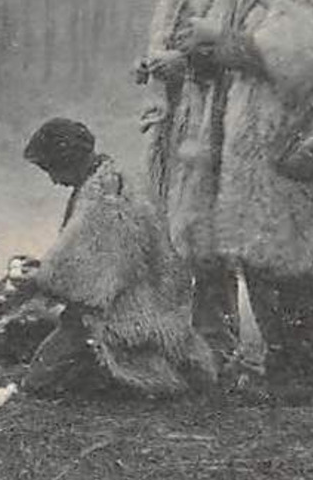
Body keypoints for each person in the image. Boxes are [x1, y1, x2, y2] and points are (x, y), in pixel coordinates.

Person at [174, 0, 313, 406]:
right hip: (240, 131)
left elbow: (296, 53)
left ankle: (306, 372)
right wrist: (203, 50)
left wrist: (218, 45)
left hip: (286, 130)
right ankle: (279, 364)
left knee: (289, 252)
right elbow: (225, 41)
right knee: (255, 248)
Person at [18, 119, 217, 400]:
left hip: (125, 311)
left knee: (40, 383)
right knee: (45, 367)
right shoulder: (107, 180)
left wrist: (39, 279)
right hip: (135, 299)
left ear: (70, 161)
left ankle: (125, 372)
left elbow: (92, 280)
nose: (53, 180)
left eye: (52, 169)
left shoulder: (107, 200)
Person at [138, 0, 248, 372]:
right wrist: (154, 70)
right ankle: (183, 330)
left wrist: (184, 66)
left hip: (216, 116)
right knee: (174, 225)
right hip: (176, 119)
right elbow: (169, 42)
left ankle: (218, 339)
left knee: (209, 230)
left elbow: (234, 51)